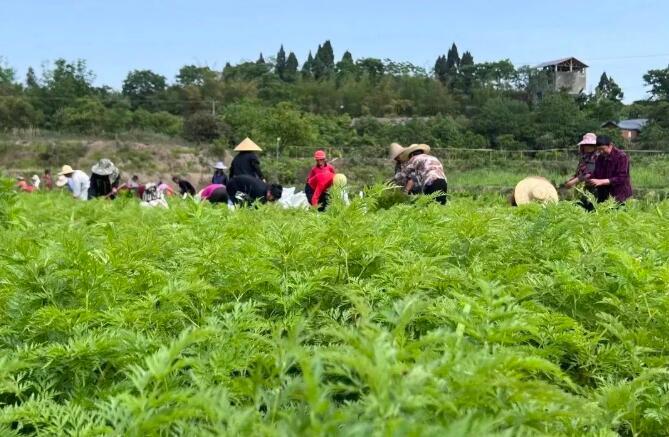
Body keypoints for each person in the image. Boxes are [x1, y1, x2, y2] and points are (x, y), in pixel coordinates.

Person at [587, 135, 633, 204]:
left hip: (620, 195)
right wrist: (590, 178)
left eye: (603, 148)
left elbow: (622, 178)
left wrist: (602, 181)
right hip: (604, 195)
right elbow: (597, 174)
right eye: (599, 149)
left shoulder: (621, 156)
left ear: (610, 145)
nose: (601, 151)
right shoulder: (600, 158)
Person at [563, 133, 598, 211]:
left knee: (591, 209)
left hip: (594, 189)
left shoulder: (595, 157)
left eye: (591, 145)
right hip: (584, 189)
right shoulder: (584, 157)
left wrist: (573, 182)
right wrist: (572, 178)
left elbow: (589, 174)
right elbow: (580, 171)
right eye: (586, 144)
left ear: (595, 146)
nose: (588, 147)